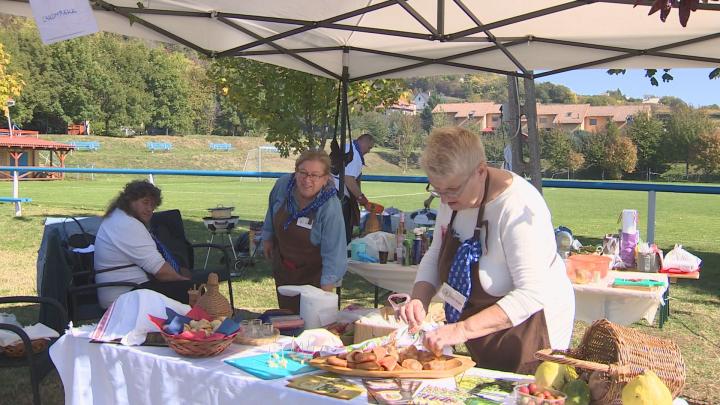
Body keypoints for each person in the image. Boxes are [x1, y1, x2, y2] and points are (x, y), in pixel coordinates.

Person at [397, 127, 574, 374]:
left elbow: (532, 293)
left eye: (452, 190)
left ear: (480, 171)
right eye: (437, 191)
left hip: (532, 330)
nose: (445, 201)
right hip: (482, 329)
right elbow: (436, 252)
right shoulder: (454, 197)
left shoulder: (519, 206)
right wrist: (420, 298)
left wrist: (460, 330)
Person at [262, 150, 347, 313]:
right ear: (295, 172)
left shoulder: (330, 207)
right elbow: (271, 211)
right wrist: (267, 237)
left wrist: (324, 293)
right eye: (303, 173)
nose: (307, 180)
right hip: (284, 269)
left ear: (325, 179)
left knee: (311, 326)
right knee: (287, 320)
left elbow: (334, 253)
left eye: (315, 175)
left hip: (314, 276)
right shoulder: (283, 185)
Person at [94, 180, 200, 308]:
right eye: (145, 203)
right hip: (125, 296)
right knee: (192, 289)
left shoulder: (120, 217)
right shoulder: (127, 224)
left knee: (189, 284)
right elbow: (161, 272)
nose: (150, 209)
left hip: (129, 289)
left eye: (153, 205)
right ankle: (200, 325)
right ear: (129, 201)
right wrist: (186, 281)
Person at [333, 133, 375, 243]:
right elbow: (348, 179)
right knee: (343, 231)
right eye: (369, 147)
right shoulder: (355, 155)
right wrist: (361, 198)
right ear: (364, 142)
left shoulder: (347, 147)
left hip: (330, 190)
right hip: (339, 195)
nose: (368, 151)